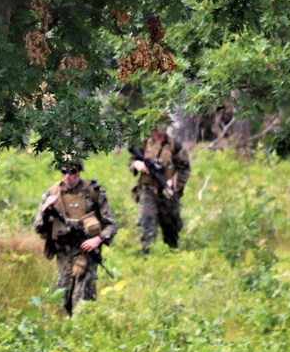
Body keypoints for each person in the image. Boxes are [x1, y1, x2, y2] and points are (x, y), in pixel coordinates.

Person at [32, 160, 117, 316]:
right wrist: (45, 209)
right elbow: (37, 227)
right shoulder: (52, 193)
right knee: (61, 301)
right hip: (64, 254)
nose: (68, 176)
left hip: (87, 253)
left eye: (71, 171)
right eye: (64, 172)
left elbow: (111, 226)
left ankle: (82, 334)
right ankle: (62, 333)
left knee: (83, 304)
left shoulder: (93, 193)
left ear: (79, 171)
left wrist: (97, 239)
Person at [128, 123, 190, 253]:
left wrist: (173, 182)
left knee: (171, 230)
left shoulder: (174, 144)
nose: (162, 126)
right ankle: (147, 258)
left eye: (164, 122)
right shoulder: (144, 143)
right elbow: (131, 160)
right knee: (147, 225)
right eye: (158, 122)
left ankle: (172, 257)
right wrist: (136, 164)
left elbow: (184, 167)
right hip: (148, 191)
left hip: (167, 193)